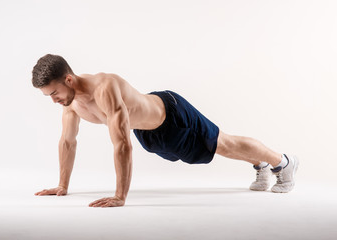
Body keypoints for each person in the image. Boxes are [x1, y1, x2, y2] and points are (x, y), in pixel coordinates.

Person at [32, 54, 299, 208]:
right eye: (49, 96)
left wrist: (120, 196)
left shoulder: (104, 88)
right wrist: (62, 186)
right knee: (215, 149)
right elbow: (67, 142)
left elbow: (122, 144)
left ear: (68, 79)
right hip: (150, 134)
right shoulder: (70, 104)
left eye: (54, 92)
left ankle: (282, 163)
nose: (54, 100)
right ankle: (261, 164)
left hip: (172, 115)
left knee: (223, 144)